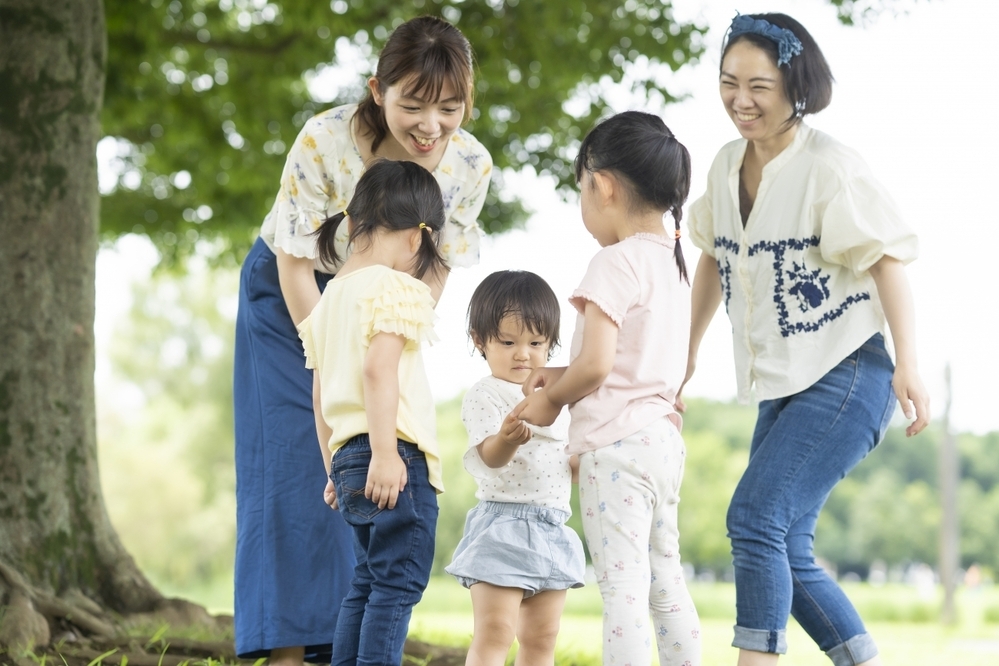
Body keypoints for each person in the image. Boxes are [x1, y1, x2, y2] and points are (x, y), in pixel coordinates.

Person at [232, 15, 492, 664]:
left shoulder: (469, 165)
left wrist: (394, 335)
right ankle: (288, 650)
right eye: (412, 105)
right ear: (378, 90)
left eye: (450, 108)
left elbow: (435, 264)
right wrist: (328, 346)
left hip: (384, 308)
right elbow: (295, 260)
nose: (431, 126)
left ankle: (339, 645)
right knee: (298, 467)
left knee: (377, 458)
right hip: (295, 300)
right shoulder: (324, 138)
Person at [678, 13, 930, 666]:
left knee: (753, 519)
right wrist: (686, 353)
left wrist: (909, 364)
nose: (740, 99)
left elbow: (885, 260)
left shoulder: (828, 166)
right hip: (783, 380)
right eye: (729, 82)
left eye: (758, 85)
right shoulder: (724, 164)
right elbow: (711, 254)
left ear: (795, 84)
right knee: (783, 544)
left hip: (849, 371)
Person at [515, 111, 701, 666]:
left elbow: (595, 366)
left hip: (616, 450)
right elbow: (635, 362)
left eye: (581, 191)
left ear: (602, 184)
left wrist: (549, 399)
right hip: (663, 442)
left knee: (621, 588)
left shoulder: (613, 262)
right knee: (665, 578)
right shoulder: (672, 266)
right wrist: (560, 373)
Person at [298, 158, 447, 666]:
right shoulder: (398, 288)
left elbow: (319, 398)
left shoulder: (327, 301)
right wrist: (385, 454)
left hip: (346, 456)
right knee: (397, 584)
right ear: (415, 239)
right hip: (392, 456)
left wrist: (334, 472)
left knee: (365, 581)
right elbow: (379, 371)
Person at [445, 270, 586, 666]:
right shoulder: (485, 394)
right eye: (508, 342)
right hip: (503, 526)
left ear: (550, 344)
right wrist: (506, 439)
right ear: (480, 341)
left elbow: (567, 464)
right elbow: (489, 458)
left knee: (542, 638)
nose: (522, 353)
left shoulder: (557, 398)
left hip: (553, 528)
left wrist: (588, 461)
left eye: (535, 343)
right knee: (496, 632)